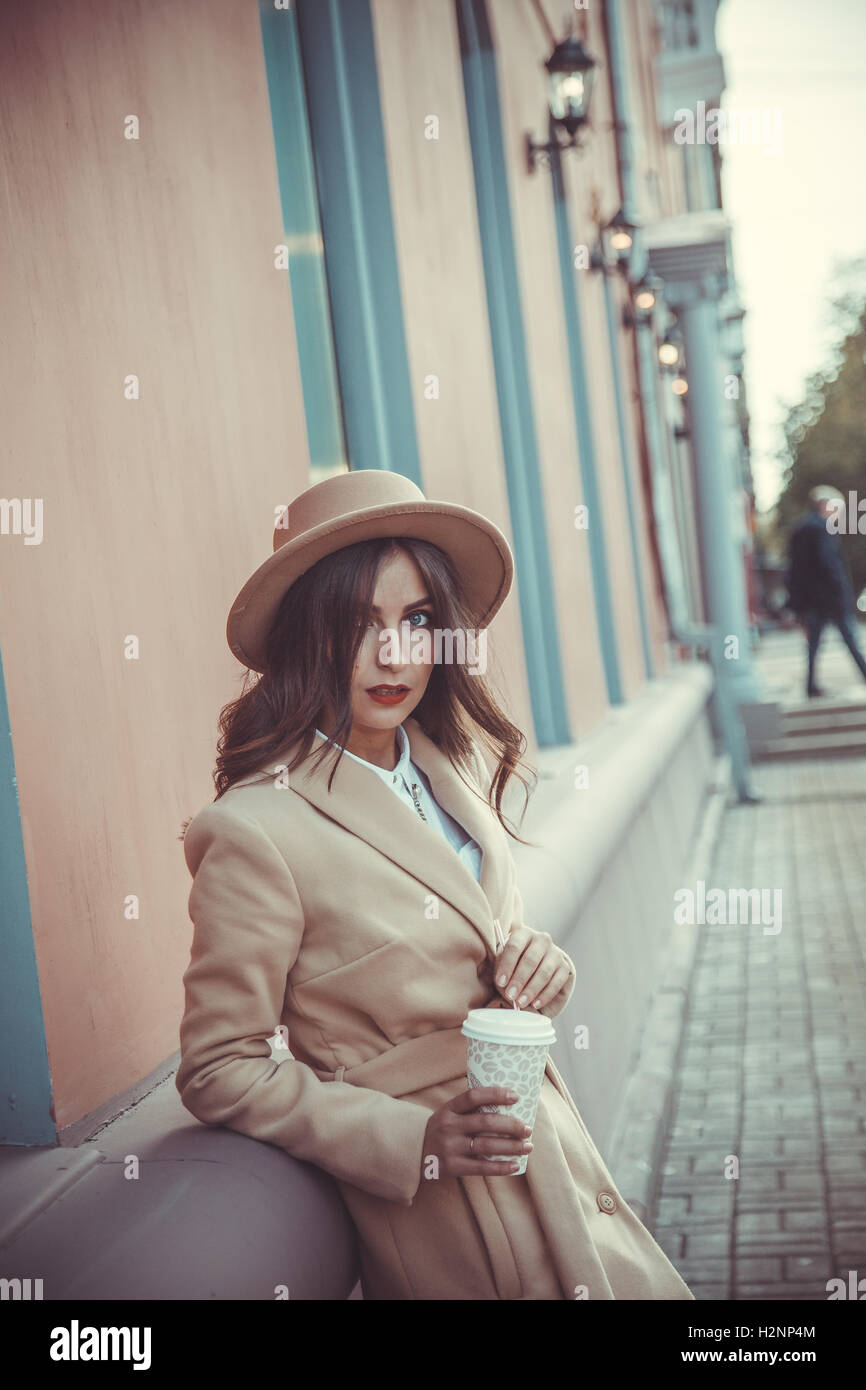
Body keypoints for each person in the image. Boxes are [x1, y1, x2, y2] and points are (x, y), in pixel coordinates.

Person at [175, 467, 694, 1301]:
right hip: (450, 1219)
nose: (394, 654)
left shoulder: (449, 765)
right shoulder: (254, 829)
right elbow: (218, 1066)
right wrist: (411, 1140)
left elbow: (484, 943)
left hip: (553, 1153)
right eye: (357, 624)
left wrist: (541, 967)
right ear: (309, 636)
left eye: (416, 620)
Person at [785, 484, 866, 698]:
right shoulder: (820, 528)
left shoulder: (802, 528)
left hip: (813, 600)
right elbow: (829, 565)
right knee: (850, 640)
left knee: (814, 644)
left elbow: (795, 568)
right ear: (825, 505)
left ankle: (811, 686)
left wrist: (797, 602)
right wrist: (842, 594)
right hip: (830, 599)